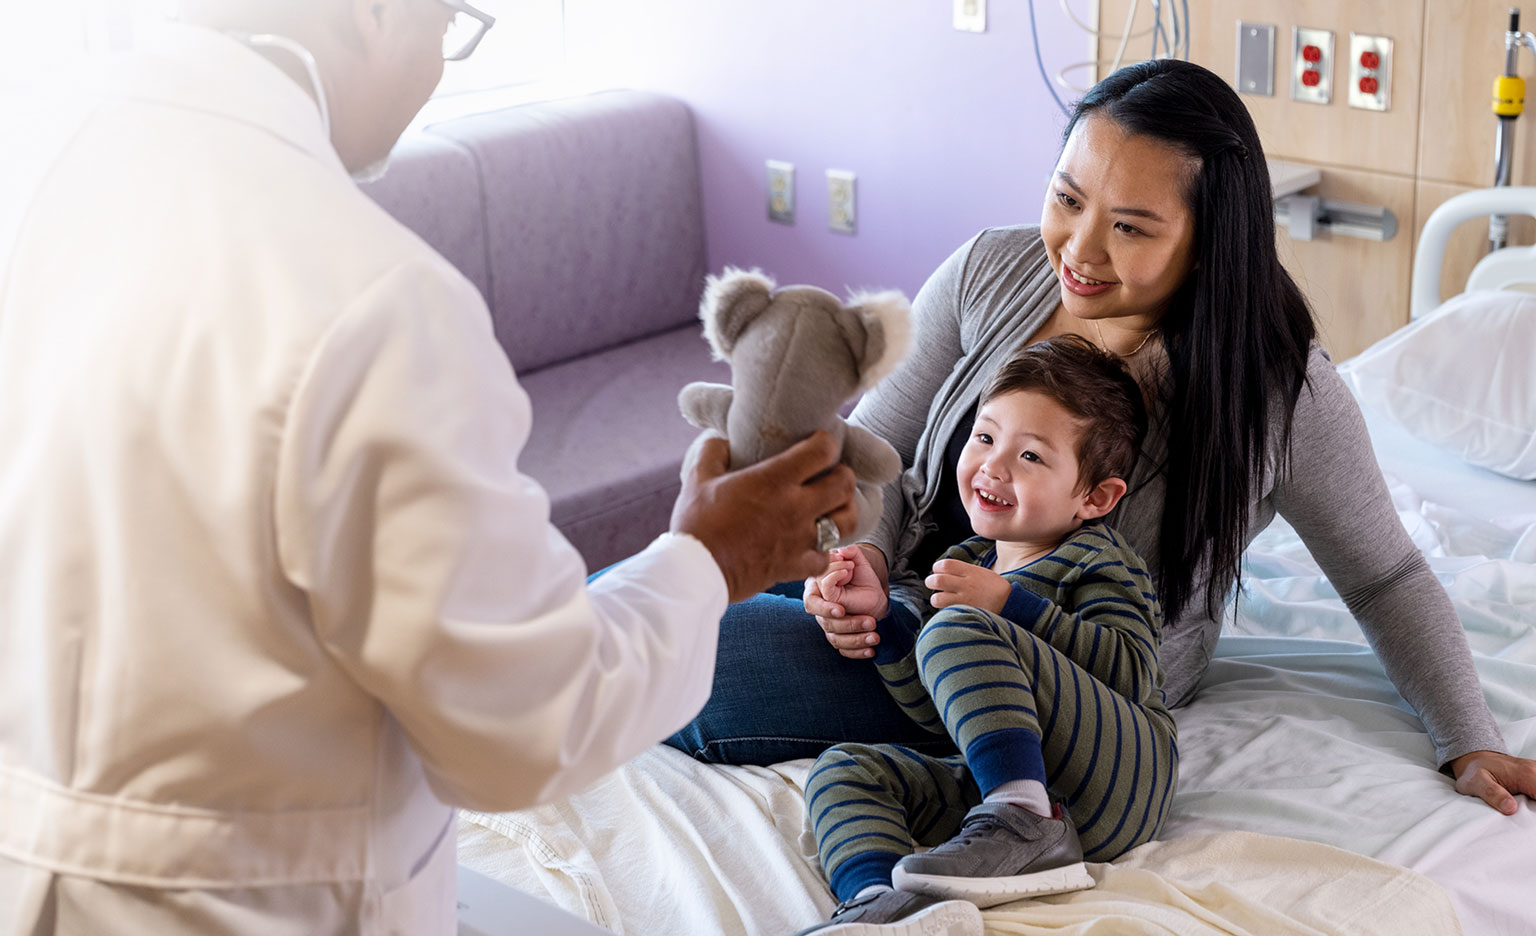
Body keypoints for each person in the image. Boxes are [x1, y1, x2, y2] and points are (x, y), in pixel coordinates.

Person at [0, 2, 858, 934]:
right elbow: (523, 723)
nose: (440, 67)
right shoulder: (372, 295)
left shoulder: (41, 153)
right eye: (448, 27)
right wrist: (710, 559)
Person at [667, 58, 1536, 817]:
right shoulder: (990, 271)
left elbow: (1386, 575)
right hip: (904, 609)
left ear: (1207, 243)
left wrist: (1468, 739)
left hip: (1051, 679)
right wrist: (857, 566)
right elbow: (878, 455)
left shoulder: (1275, 390)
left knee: (677, 660)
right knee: (650, 589)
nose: (1079, 249)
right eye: (1067, 199)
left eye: (1130, 227)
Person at [793, 337, 1174, 936]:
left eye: (1032, 456)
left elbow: (1131, 672)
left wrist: (1009, 605)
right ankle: (878, 904)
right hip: (998, 784)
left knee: (956, 627)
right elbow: (935, 712)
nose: (994, 466)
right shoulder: (970, 561)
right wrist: (884, 622)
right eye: (986, 437)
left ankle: (1025, 819)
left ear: (1094, 497)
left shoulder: (1097, 559)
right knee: (844, 768)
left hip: (1118, 777)